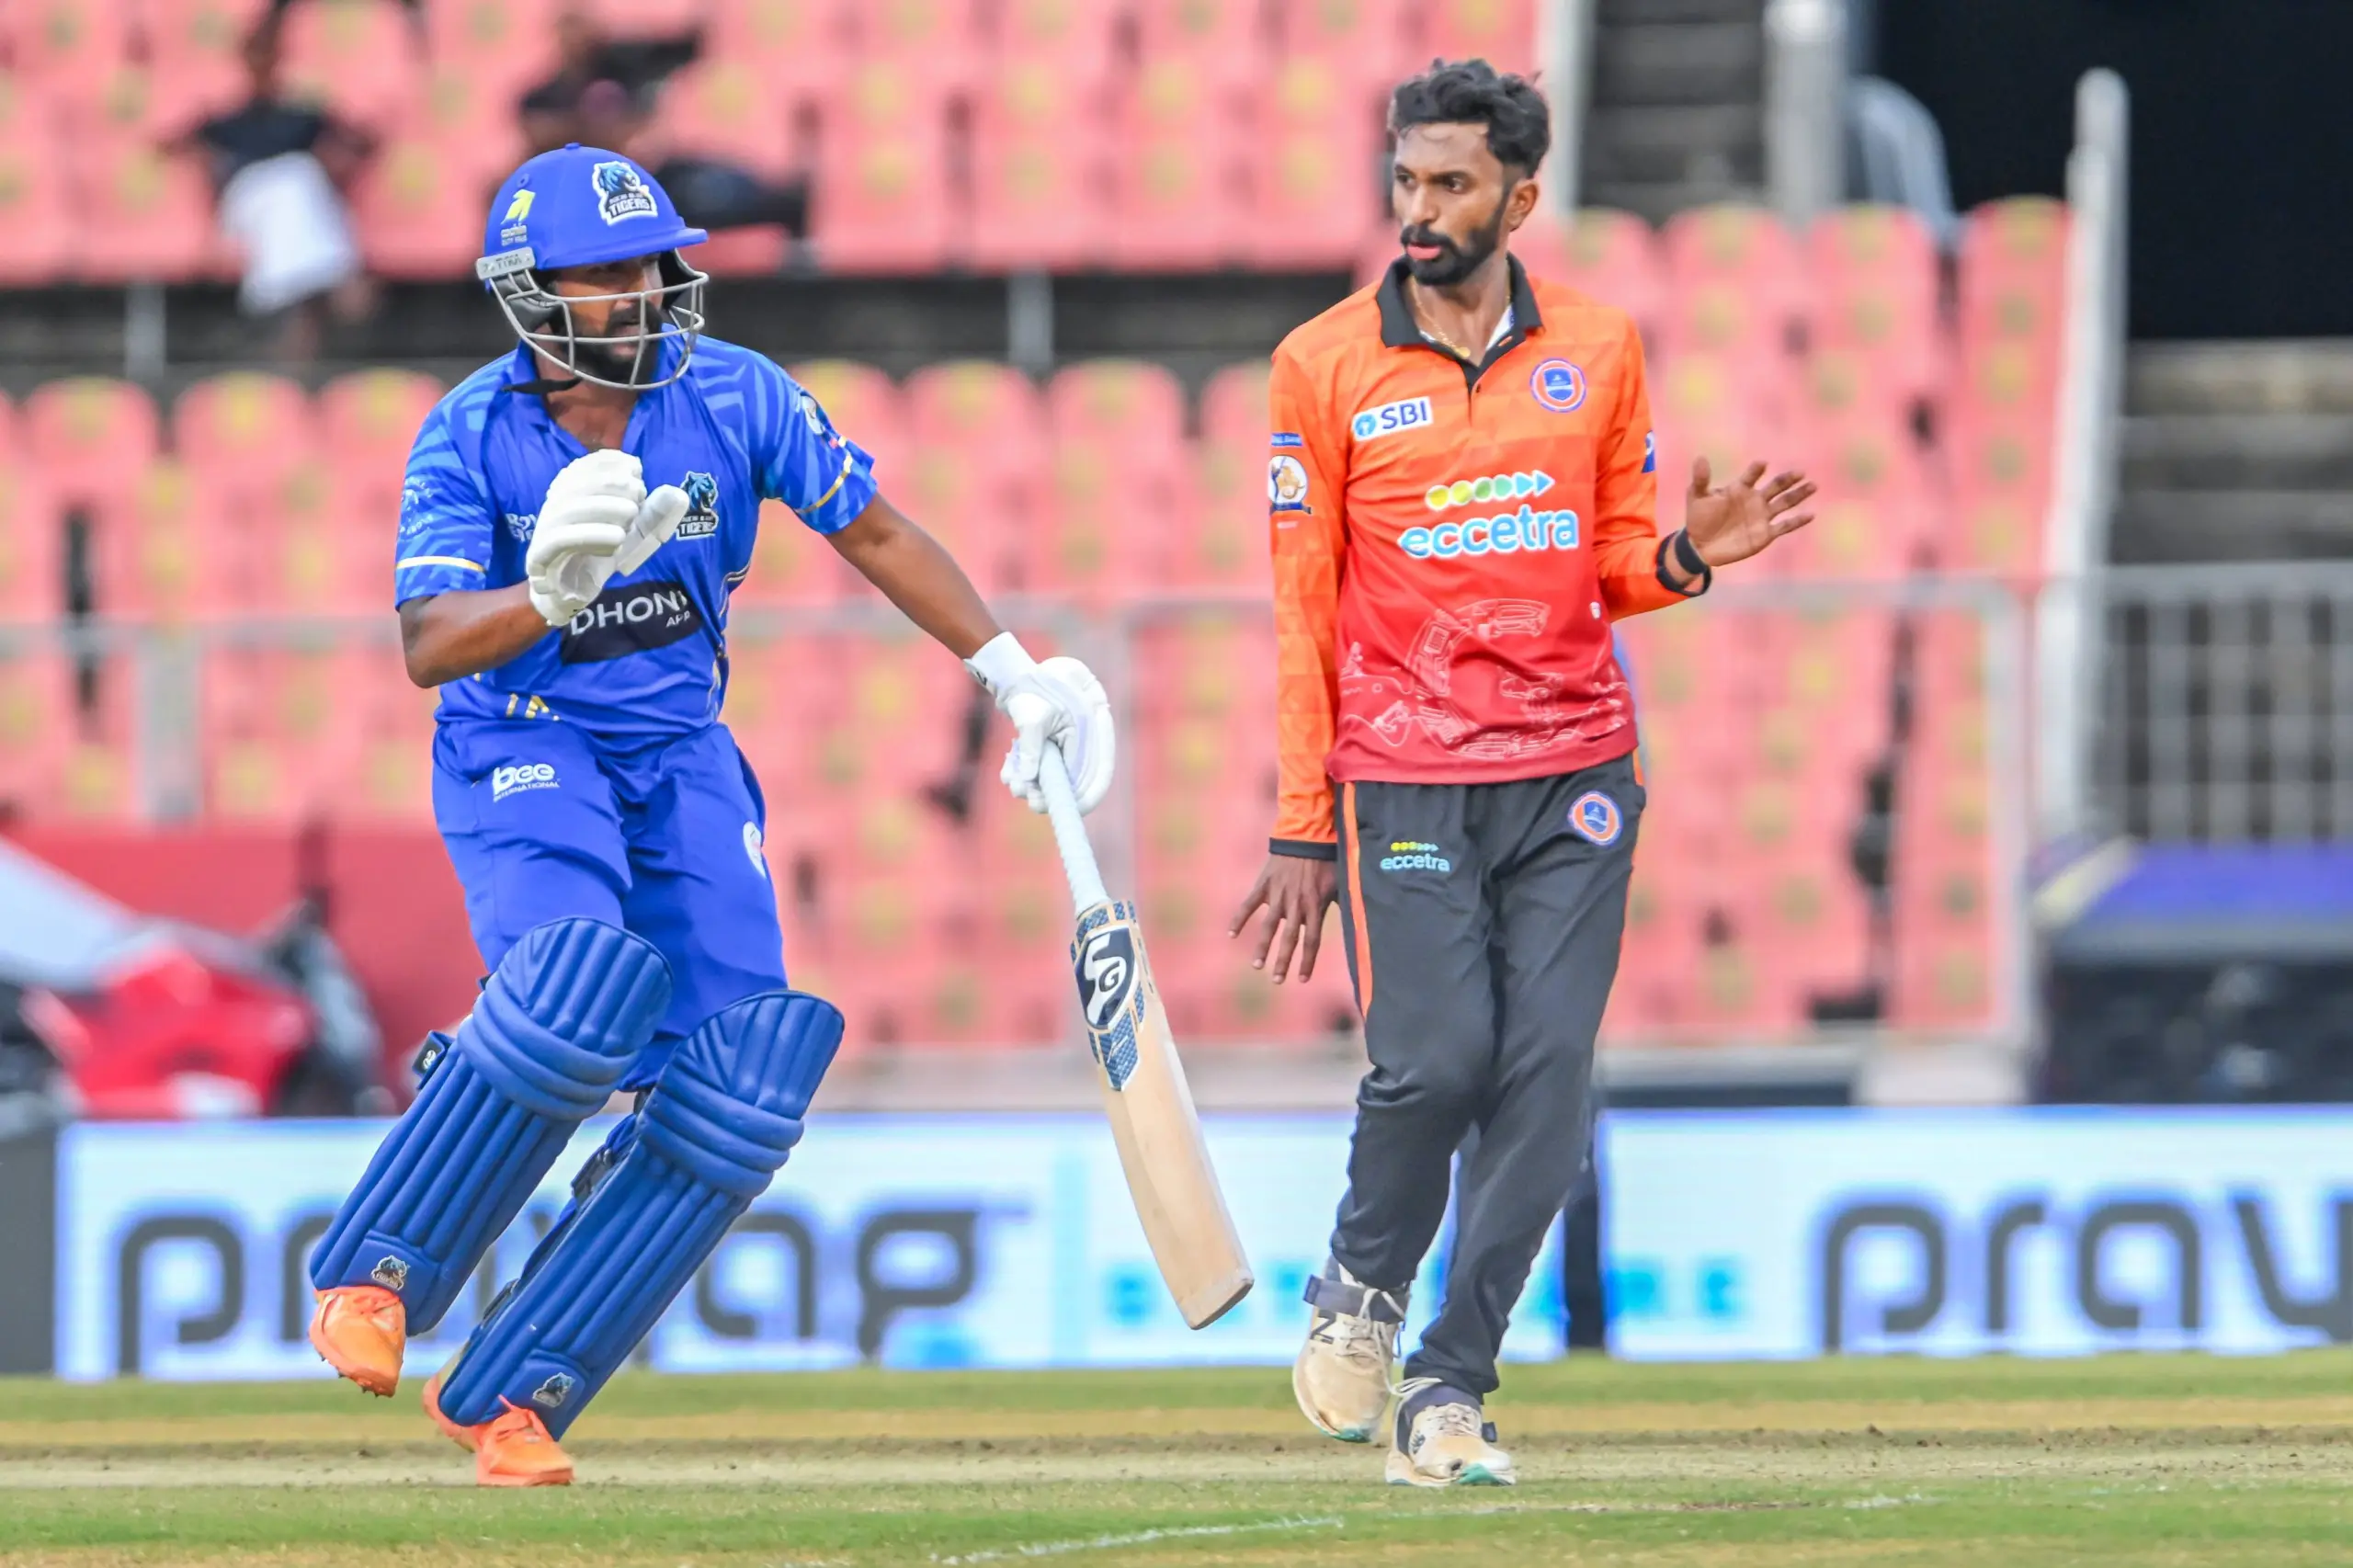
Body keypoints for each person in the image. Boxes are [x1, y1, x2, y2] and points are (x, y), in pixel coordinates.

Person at [301, 144, 1113, 1486]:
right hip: (525, 737)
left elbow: (876, 531)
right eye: (608, 272)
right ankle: (377, 1270)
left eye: (652, 264)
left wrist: (1008, 670)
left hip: (680, 748)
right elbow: (430, 643)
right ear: (533, 292)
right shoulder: (469, 431)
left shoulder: (734, 392)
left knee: (738, 1082)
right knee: (572, 990)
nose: (645, 290)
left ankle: (517, 1394)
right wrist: (546, 598)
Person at [1230, 61, 1815, 1488]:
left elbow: (1608, 566)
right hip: (1405, 772)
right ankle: (1362, 1284)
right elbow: (1303, 610)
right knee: (1437, 1064)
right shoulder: (1320, 364)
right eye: (1407, 180)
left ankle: (1449, 1386)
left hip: (1576, 767)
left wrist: (1690, 556)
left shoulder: (1599, 348)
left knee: (1548, 1079)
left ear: (1520, 197)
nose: (1420, 209)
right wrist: (1303, 824)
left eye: (1452, 184)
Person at [170, 18, 376, 360]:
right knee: (297, 179)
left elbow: (361, 140)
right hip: (248, 205)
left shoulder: (302, 113)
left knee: (299, 182)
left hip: (297, 211)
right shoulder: (228, 117)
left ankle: (283, 300)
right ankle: (338, 275)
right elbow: (175, 145)